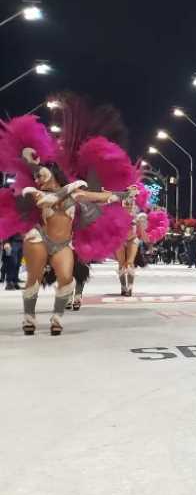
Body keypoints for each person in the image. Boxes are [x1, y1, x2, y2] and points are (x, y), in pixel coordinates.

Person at [0, 112, 133, 336]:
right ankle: (29, 317)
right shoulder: (35, 192)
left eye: (41, 174)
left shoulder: (76, 194)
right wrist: (70, 188)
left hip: (63, 244)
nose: (37, 178)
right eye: (36, 176)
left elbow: (101, 197)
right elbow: (48, 199)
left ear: (52, 173)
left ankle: (56, 317)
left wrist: (124, 194)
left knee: (66, 279)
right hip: (39, 238)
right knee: (33, 278)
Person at [115, 186, 147, 297]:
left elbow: (141, 229)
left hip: (132, 239)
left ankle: (129, 288)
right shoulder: (117, 209)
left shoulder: (138, 211)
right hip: (119, 239)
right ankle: (123, 287)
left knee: (130, 263)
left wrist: (148, 241)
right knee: (121, 264)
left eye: (134, 193)